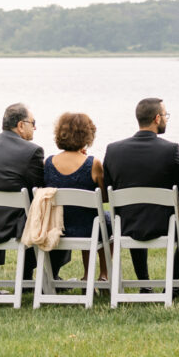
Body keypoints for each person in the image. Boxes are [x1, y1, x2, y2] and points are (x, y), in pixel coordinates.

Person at [102, 97, 179, 281]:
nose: (166, 119)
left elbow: (108, 189)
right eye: (165, 115)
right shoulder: (170, 150)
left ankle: (144, 282)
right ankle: (172, 282)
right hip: (165, 225)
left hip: (126, 224)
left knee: (134, 211)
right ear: (157, 118)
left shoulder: (113, 150)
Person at [0, 103, 45, 277]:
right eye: (33, 123)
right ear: (20, 125)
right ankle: (30, 275)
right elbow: (38, 188)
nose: (35, 127)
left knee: (6, 207)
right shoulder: (32, 151)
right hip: (14, 224)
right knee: (42, 214)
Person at [43, 112, 106, 284]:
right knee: (104, 220)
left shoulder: (48, 163)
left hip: (57, 226)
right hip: (88, 228)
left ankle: (88, 276)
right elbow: (104, 198)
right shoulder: (93, 164)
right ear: (87, 135)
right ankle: (103, 274)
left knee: (90, 217)